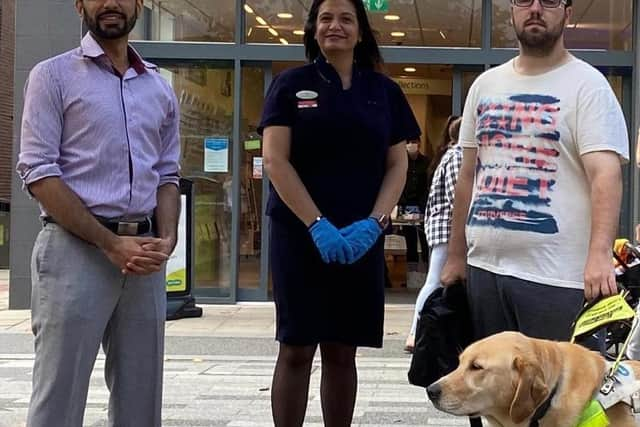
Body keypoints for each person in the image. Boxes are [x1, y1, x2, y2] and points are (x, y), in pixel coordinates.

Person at [16, 0, 181, 425]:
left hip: (144, 257)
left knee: (141, 402)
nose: (111, 3)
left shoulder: (159, 87)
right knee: (59, 398)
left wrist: (168, 237)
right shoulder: (52, 76)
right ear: (79, 4)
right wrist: (110, 243)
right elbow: (38, 172)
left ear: (140, 4)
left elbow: (167, 173)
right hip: (74, 251)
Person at [258, 0, 420, 425]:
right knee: (296, 346)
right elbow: (276, 161)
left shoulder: (384, 92)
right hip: (300, 236)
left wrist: (375, 223)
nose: (336, 26)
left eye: (346, 18)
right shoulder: (289, 85)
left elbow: (397, 164)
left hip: (360, 235)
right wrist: (316, 224)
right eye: (326, 18)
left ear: (361, 31)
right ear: (313, 30)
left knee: (342, 349)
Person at [440, 0, 629, 347]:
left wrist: (600, 254)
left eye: (551, 1)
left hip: (559, 279)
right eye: (525, 0)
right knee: (496, 398)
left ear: (568, 14)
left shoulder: (589, 86)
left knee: (566, 398)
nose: (536, 8)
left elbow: (605, 174)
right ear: (512, 11)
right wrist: (455, 256)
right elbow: (468, 176)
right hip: (486, 272)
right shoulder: (485, 85)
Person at [405, 116, 462, 352]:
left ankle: (419, 332)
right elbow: (457, 196)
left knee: (436, 280)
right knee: (435, 279)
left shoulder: (447, 155)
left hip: (442, 226)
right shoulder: (458, 155)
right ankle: (416, 332)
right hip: (448, 227)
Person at [398, 138, 431, 279]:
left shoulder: (426, 162)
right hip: (405, 205)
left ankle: (427, 273)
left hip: (422, 205)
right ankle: (412, 276)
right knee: (410, 241)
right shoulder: (402, 162)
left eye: (414, 142)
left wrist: (423, 204)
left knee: (425, 241)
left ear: (419, 144)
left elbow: (428, 185)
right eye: (409, 142)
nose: (411, 145)